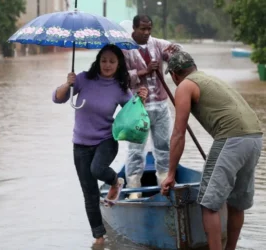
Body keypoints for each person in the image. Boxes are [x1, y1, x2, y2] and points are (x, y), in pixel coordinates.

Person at [160, 51, 263, 250]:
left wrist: (171, 173)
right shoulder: (210, 79)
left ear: (174, 75)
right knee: (236, 204)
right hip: (255, 137)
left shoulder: (185, 85)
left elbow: (179, 134)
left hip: (231, 138)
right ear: (194, 67)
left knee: (209, 203)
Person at [52, 44, 148, 245]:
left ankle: (115, 181)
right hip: (80, 145)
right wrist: (67, 84)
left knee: (97, 169)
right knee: (90, 193)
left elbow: (132, 115)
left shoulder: (120, 87)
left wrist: (140, 101)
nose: (107, 65)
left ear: (118, 63)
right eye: (104, 60)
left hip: (106, 141)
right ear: (98, 61)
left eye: (112, 61)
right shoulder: (83, 79)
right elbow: (57, 98)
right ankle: (99, 238)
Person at [122, 14, 182, 199]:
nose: (147, 33)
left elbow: (178, 52)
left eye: (149, 29)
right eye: (143, 29)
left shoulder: (157, 43)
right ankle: (134, 188)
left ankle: (164, 181)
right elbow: (121, 78)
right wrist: (144, 71)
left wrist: (173, 56)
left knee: (164, 146)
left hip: (161, 105)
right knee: (136, 149)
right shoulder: (124, 48)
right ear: (134, 29)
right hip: (138, 107)